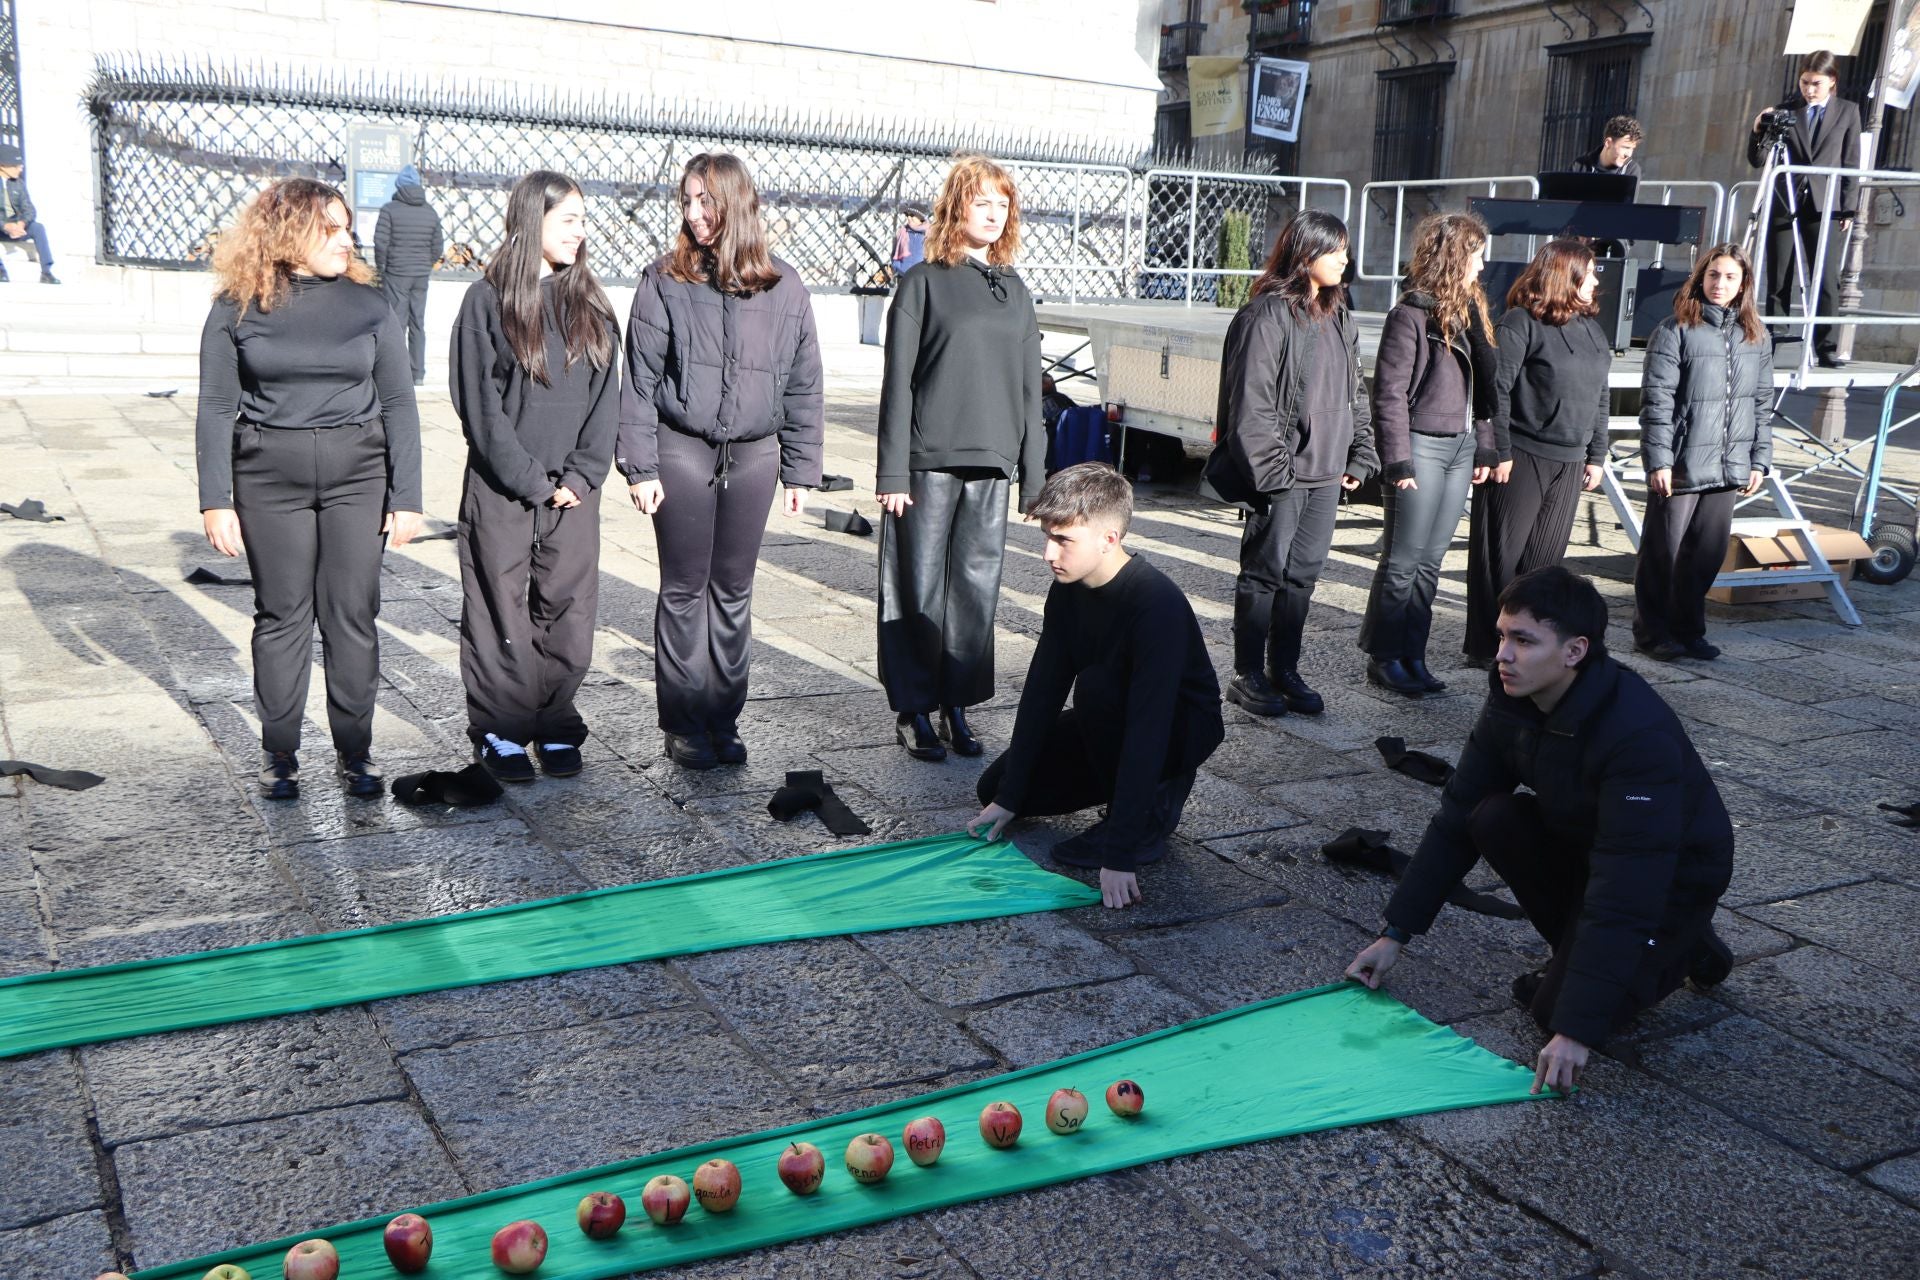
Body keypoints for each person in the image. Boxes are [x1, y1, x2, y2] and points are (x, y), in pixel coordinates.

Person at [1344, 566, 1734, 1095]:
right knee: (1493, 816)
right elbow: (1456, 818)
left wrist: (1575, 1028)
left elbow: (1629, 884)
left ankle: (1683, 944)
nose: (1502, 654)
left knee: (1556, 1011)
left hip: (1671, 876)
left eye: (1523, 641)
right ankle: (1617, 954)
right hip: (1589, 847)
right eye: (1502, 635)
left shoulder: (1637, 735)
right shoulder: (1510, 698)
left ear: (1574, 651)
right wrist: (1395, 934)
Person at [194, 178, 423, 799]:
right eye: (332, 228)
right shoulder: (235, 308)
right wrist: (216, 499)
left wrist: (407, 498)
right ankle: (281, 753)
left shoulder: (371, 307)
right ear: (289, 231)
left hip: (359, 476)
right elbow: (216, 406)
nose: (346, 239)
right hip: (269, 479)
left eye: (348, 227)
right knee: (282, 614)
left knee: (352, 614)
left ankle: (356, 752)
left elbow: (400, 403)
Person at [618, 153, 823, 770]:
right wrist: (640, 466)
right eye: (686, 201)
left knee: (734, 589)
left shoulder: (785, 286)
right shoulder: (664, 279)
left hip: (756, 457)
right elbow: (640, 380)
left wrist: (801, 469)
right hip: (681, 450)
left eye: (705, 201)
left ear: (735, 203)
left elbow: (803, 383)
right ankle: (683, 721)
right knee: (685, 588)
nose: (694, 214)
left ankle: (722, 718)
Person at [970, 463, 1224, 909]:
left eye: (1064, 540)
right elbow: (1042, 690)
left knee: (1097, 684)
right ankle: (1121, 792)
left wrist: (1121, 850)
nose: (1049, 554)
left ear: (1110, 539)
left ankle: (1150, 810)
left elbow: (1150, 726)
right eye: (1047, 537)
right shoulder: (1067, 588)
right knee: (994, 788)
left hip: (1175, 730)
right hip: (1108, 717)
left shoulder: (1155, 604)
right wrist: (1011, 796)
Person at [451, 170, 620, 783]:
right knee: (499, 608)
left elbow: (608, 400)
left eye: (581, 219)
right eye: (567, 218)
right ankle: (500, 727)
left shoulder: (593, 305)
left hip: (573, 491)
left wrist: (583, 474)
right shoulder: (486, 301)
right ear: (533, 220)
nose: (580, 231)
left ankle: (553, 722)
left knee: (568, 609)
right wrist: (530, 480)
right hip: (504, 486)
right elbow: (481, 407)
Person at [876, 155, 1044, 761]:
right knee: (917, 584)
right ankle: (914, 707)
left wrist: (1035, 478)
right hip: (927, 460)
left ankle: (957, 705)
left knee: (977, 589)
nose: (995, 215)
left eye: (1003, 205)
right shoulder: (921, 282)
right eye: (983, 203)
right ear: (956, 208)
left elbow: (1032, 389)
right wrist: (891, 471)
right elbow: (898, 384)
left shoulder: (1016, 291)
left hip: (993, 461)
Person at [1206, 209, 1379, 717]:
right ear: (1306, 257)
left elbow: (1355, 392)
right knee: (1264, 574)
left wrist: (1361, 453)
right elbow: (1250, 405)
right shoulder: (1266, 315)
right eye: (1336, 251)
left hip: (1328, 474)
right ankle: (1247, 673)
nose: (1346, 261)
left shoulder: (1340, 314)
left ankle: (1285, 669)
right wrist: (1274, 474)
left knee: (1303, 576)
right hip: (1281, 475)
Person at [1359, 211, 1499, 698]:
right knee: (1403, 559)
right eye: (1477, 255)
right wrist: (1396, 460)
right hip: (1420, 444)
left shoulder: (1471, 313)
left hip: (1460, 447)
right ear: (1456, 256)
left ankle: (1412, 654)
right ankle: (1384, 656)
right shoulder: (1411, 314)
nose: (1482, 266)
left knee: (1432, 561)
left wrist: (1485, 443)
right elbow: (1389, 393)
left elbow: (1483, 391)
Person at [1462, 239, 1610, 667]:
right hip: (1521, 455)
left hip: (1569, 460)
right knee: (1501, 560)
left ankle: (1531, 644)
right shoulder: (1520, 322)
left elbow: (1600, 397)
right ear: (1565, 274)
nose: (1597, 279)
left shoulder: (1592, 329)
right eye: (1590, 271)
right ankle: (1487, 648)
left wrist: (1596, 455)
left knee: (1544, 563)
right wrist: (1499, 450)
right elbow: (1497, 391)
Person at [1633, 243, 1771, 662]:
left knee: (1706, 554)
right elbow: (1657, 399)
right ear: (1700, 278)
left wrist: (1759, 458)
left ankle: (1688, 629)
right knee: (1664, 552)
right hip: (1682, 462)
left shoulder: (1756, 336)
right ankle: (1652, 632)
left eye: (1730, 277)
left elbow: (1761, 401)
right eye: (1713, 275)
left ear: (1743, 283)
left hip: (1730, 462)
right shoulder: (1675, 329)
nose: (1720, 284)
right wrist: (1658, 459)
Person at [1749, 49, 1862, 368]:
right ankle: (1772, 338)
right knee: (1779, 273)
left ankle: (1825, 345)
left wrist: (1849, 209)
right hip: (1785, 200)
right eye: (1804, 82)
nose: (1809, 89)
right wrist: (1758, 128)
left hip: (1825, 203)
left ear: (1831, 82)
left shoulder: (1847, 111)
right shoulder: (1786, 111)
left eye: (1815, 83)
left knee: (1825, 277)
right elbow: (1757, 159)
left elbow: (1852, 161)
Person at [374, 163, 444, 386]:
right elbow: (438, 247)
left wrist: (382, 268)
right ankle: (418, 373)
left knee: (397, 323)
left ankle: (396, 372)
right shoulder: (430, 212)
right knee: (418, 323)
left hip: (396, 273)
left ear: (399, 187)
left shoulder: (389, 210)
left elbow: (380, 243)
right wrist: (426, 263)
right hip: (420, 275)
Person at [0, 144, 58, 284]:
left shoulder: (18, 183)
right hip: (2, 226)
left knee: (38, 228)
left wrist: (21, 223)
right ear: (3, 165)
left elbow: (29, 209)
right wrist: (5, 226)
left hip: (16, 226)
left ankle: (46, 272)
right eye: (16, 165)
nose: (20, 168)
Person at [1570, 115, 1644, 179]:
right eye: (1625, 147)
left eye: (1632, 149)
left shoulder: (1631, 170)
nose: (1629, 154)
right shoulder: (1580, 166)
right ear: (1608, 143)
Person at [891, 206, 928, 277]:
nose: (908, 218)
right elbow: (895, 253)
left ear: (921, 217)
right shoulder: (903, 232)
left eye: (911, 215)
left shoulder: (929, 234)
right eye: (907, 215)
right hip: (903, 274)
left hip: (921, 276)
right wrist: (897, 268)